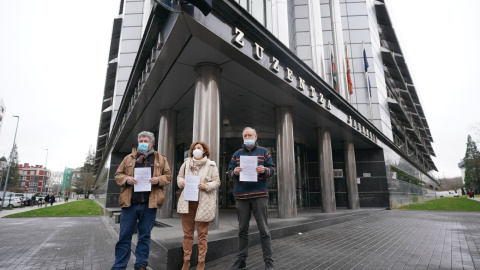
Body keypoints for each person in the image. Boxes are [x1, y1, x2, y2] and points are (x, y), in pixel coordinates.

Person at [112, 131, 172, 270]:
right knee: (124, 237)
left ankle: (141, 264)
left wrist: (158, 180)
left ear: (152, 143)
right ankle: (119, 266)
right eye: (141, 141)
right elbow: (118, 175)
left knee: (144, 237)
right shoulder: (129, 158)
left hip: (149, 204)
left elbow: (168, 176)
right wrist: (127, 179)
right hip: (130, 204)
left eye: (146, 141)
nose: (143, 143)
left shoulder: (161, 159)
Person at [228, 127, 276, 270]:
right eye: (245, 135)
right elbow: (228, 173)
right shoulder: (237, 154)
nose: (247, 137)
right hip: (241, 197)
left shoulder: (264, 152)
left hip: (259, 195)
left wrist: (265, 170)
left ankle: (269, 263)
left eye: (250, 135)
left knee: (264, 230)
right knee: (242, 230)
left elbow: (272, 170)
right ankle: (241, 261)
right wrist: (234, 172)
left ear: (256, 137)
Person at [177, 142, 221, 270]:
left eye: (199, 148)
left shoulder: (211, 165)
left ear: (204, 151)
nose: (196, 150)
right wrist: (181, 182)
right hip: (188, 202)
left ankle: (201, 262)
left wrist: (206, 186)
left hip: (204, 203)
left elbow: (217, 182)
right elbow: (179, 177)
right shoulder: (186, 163)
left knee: (202, 235)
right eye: (194, 148)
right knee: (187, 234)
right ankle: (186, 260)